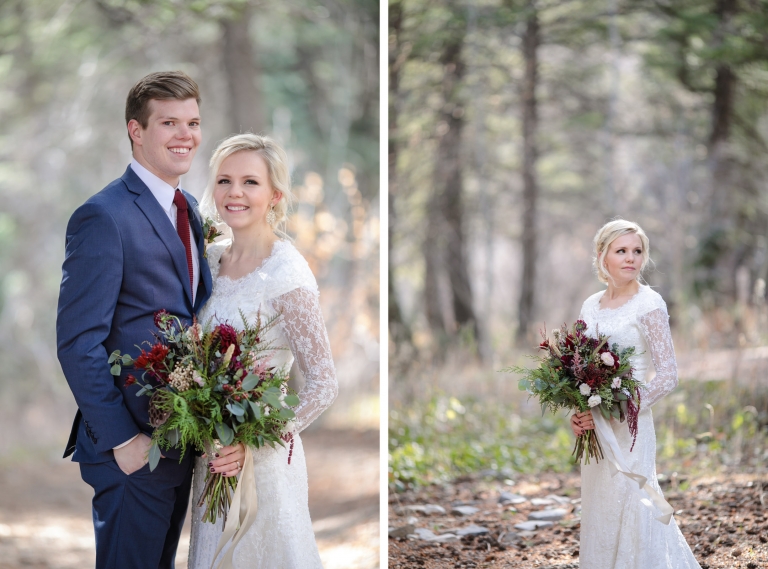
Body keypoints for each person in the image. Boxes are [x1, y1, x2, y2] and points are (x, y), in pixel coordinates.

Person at [56, 71, 213, 569]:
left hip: (178, 442)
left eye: (192, 122)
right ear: (136, 130)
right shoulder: (103, 216)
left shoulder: (189, 210)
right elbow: (78, 341)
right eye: (169, 122)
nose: (184, 134)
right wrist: (125, 440)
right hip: (132, 447)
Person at [186, 133, 338, 568]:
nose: (235, 193)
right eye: (224, 181)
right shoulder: (209, 261)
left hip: (263, 463)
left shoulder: (287, 272)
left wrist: (257, 441)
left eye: (250, 182)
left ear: (275, 194)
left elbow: (324, 383)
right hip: (213, 456)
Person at [570, 219, 700, 568]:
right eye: (621, 251)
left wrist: (622, 406)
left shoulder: (649, 303)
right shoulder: (590, 305)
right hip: (596, 427)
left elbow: (668, 374)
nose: (631, 258)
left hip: (631, 425)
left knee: (634, 499)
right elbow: (580, 367)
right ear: (602, 256)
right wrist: (581, 412)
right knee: (602, 503)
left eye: (637, 251)